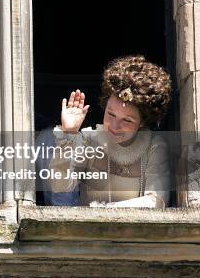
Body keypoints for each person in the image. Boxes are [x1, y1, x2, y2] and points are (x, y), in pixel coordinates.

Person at [49, 55, 172, 208]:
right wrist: (68, 134)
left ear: (143, 122)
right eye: (111, 114)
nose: (114, 126)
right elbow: (60, 189)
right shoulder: (89, 140)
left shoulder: (154, 146)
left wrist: (105, 211)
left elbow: (156, 201)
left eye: (127, 120)